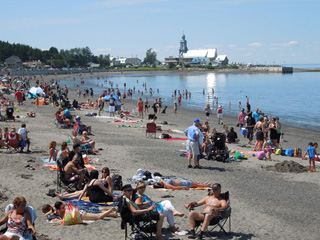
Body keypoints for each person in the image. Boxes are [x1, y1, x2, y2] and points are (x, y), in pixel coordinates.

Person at [54, 201, 118, 222]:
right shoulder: (57, 212)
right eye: (62, 207)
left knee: (98, 216)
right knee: (98, 212)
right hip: (80, 213)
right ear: (58, 209)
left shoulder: (64, 211)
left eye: (63, 206)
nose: (64, 208)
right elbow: (49, 212)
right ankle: (113, 213)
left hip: (81, 214)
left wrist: (59, 220)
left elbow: (64, 220)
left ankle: (110, 210)